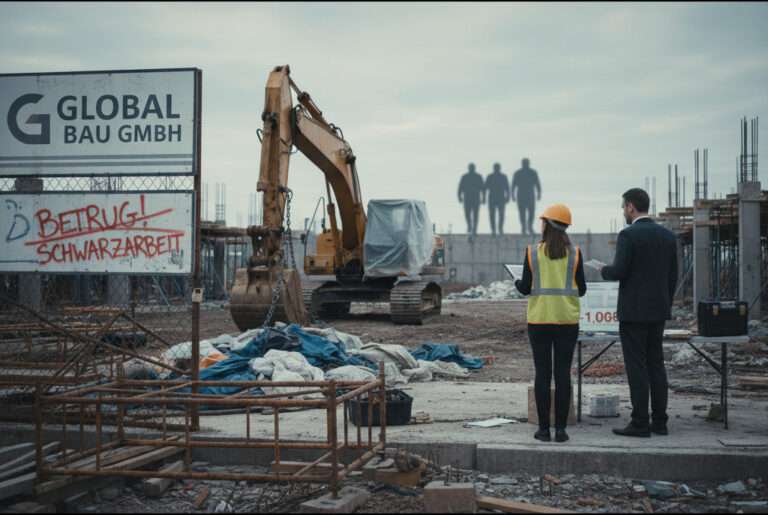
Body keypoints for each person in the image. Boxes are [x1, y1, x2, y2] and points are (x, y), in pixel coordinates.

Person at [595, 188, 678, 438]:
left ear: (631, 207)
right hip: (658, 310)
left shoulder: (628, 235)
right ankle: (660, 422)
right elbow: (672, 276)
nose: (623, 212)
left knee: (637, 367)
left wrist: (603, 270)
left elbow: (620, 271)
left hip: (633, 312)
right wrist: (664, 302)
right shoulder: (667, 236)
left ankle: (640, 422)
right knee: (656, 364)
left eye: (623, 207)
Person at [515, 204, 587, 443]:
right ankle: (561, 431)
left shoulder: (532, 252)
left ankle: (544, 430)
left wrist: (517, 283)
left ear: (547, 224)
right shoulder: (575, 253)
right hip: (566, 320)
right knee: (563, 374)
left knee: (543, 374)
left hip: (539, 320)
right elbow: (583, 290)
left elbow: (525, 288)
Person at [511, 158, 542, 236]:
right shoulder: (518, 173)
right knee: (522, 213)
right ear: (522, 164)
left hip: (530, 194)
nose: (525, 164)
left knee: (531, 212)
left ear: (528, 163)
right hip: (521, 194)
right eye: (524, 163)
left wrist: (539, 194)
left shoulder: (533, 172)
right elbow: (513, 185)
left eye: (526, 163)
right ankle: (524, 227)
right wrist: (513, 195)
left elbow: (537, 183)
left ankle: (530, 227)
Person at [457, 162, 485, 237]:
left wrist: (484, 198)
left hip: (475, 198)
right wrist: (459, 196)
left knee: (475, 215)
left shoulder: (478, 177)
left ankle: (474, 230)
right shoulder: (465, 177)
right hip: (468, 198)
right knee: (467, 214)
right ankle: (470, 227)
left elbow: (483, 188)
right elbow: (460, 187)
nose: (471, 169)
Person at [485, 162, 510, 236]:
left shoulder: (503, 177)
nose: (496, 169)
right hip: (492, 197)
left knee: (501, 214)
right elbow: (485, 187)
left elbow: (507, 187)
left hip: (501, 197)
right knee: (492, 215)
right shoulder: (490, 176)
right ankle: (493, 230)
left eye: (497, 167)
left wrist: (508, 196)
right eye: (496, 167)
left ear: (499, 168)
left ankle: (500, 229)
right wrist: (483, 197)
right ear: (494, 168)